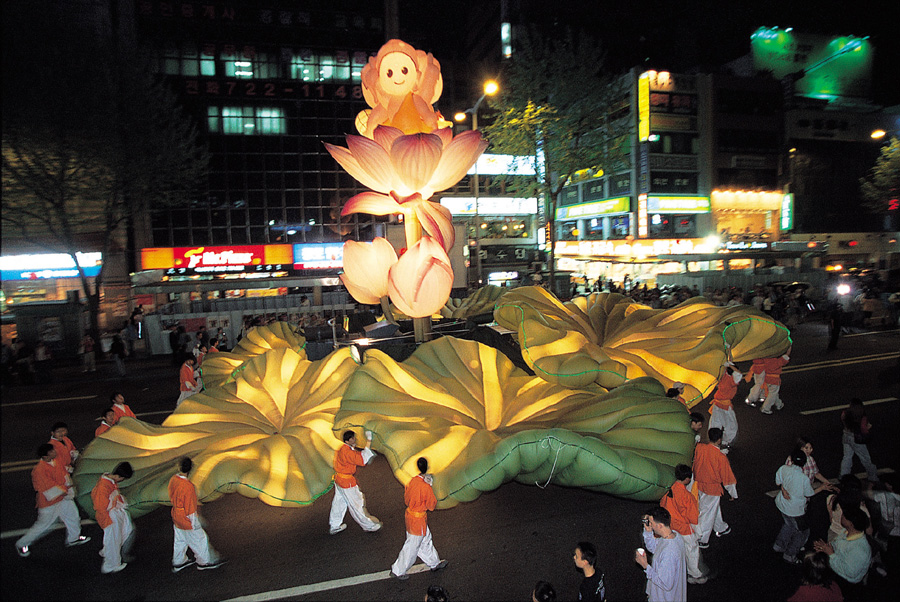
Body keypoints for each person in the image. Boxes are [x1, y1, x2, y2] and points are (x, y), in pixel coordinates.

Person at [15, 443, 90, 556]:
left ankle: (73, 538)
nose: (55, 452)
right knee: (43, 526)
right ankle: (21, 544)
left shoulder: (55, 461)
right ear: (45, 456)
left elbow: (64, 474)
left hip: (63, 498)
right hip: (50, 503)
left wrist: (68, 485)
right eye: (52, 451)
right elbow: (48, 490)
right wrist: (68, 491)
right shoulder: (39, 470)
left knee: (73, 517)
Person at [390, 457, 448, 580]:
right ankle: (398, 570)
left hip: (410, 516)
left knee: (425, 539)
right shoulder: (425, 487)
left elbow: (406, 498)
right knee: (412, 545)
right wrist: (430, 487)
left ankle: (434, 562)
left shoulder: (412, 481)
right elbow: (431, 505)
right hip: (419, 520)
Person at [775, 448, 830, 564]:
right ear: (804, 463)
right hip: (795, 510)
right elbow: (809, 493)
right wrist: (822, 487)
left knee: (788, 524)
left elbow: (778, 482)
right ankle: (790, 554)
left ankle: (779, 545)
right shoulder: (804, 478)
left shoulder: (783, 468)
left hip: (781, 504)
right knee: (803, 532)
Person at [168, 457, 224, 572]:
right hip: (186, 518)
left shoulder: (173, 479)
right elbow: (190, 508)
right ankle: (204, 562)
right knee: (200, 539)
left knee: (180, 539)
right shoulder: (188, 486)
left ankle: (178, 561)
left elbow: (171, 493)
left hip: (176, 514)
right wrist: (195, 523)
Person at [329, 430, 382, 535]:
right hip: (347, 483)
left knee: (339, 503)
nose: (355, 440)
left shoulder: (342, 449)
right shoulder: (348, 452)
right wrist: (369, 440)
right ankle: (369, 526)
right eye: (353, 438)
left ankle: (334, 525)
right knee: (357, 504)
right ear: (348, 440)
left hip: (339, 480)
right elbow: (362, 459)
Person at [660, 464, 706, 584]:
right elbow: (692, 516)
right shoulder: (687, 496)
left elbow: (663, 504)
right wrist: (698, 530)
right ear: (687, 479)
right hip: (684, 528)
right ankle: (694, 574)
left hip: (672, 526)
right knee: (691, 550)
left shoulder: (670, 490)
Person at [813, 508, 872, 600]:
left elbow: (849, 572)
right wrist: (825, 547)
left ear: (851, 524)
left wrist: (831, 554)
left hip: (846, 582)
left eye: (844, 516)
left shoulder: (860, 550)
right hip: (836, 570)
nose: (841, 516)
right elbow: (836, 545)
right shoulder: (845, 532)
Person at [692, 427, 737, 548]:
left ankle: (721, 527)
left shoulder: (700, 448)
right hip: (712, 489)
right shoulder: (720, 457)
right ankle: (702, 538)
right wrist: (733, 493)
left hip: (700, 484)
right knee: (707, 513)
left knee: (712, 509)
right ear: (719, 440)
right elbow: (728, 478)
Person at [635, 507, 686, 602]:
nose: (650, 525)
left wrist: (646, 566)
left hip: (664, 598)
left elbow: (665, 583)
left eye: (651, 523)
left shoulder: (669, 552)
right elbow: (655, 548)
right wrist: (648, 532)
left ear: (660, 526)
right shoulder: (675, 536)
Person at [91, 462, 134, 574]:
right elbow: (101, 506)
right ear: (119, 477)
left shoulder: (108, 481)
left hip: (112, 514)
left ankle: (107, 552)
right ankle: (110, 565)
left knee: (115, 537)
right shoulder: (104, 486)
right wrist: (116, 503)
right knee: (113, 539)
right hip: (108, 517)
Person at [839, 398, 879, 484]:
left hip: (846, 436)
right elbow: (864, 429)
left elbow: (843, 420)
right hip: (856, 439)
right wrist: (868, 428)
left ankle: (843, 476)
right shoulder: (862, 415)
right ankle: (873, 477)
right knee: (866, 458)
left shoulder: (845, 413)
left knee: (847, 457)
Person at [709, 362, 742, 451]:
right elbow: (738, 373)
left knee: (715, 423)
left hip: (717, 405)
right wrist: (730, 365)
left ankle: (713, 441)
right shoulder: (732, 381)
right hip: (725, 407)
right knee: (731, 425)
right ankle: (726, 442)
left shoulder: (724, 376)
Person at [760, 347, 791, 415]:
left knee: (774, 393)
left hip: (767, 379)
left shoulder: (766, 359)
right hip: (774, 380)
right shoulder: (777, 361)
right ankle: (765, 408)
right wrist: (789, 347)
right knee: (772, 394)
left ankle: (779, 404)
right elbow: (786, 356)